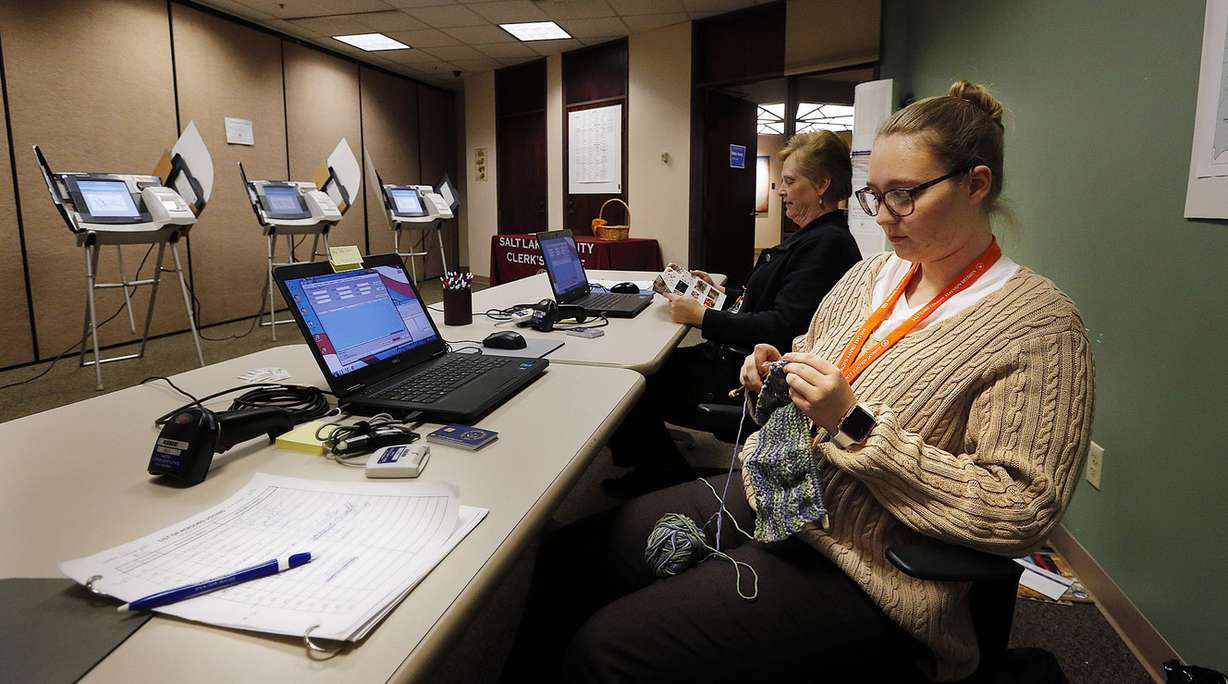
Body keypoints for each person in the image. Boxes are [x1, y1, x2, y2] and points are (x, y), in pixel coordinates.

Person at [503, 81, 1095, 682]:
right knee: (569, 558)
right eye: (875, 196)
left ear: (976, 184)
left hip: (868, 563)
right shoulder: (870, 278)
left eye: (906, 196)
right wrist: (769, 377)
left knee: (608, 650)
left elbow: (1023, 509)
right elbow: (805, 361)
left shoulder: (1039, 326)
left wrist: (855, 425)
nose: (885, 217)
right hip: (778, 492)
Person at [604, 129, 861, 497]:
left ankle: (661, 474)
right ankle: (652, 463)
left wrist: (702, 318)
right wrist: (720, 294)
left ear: (822, 184)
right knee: (650, 368)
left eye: (789, 182)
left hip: (747, 373)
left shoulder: (827, 246)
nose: (781, 191)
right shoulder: (816, 237)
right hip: (737, 357)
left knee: (633, 381)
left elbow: (781, 327)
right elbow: (772, 303)